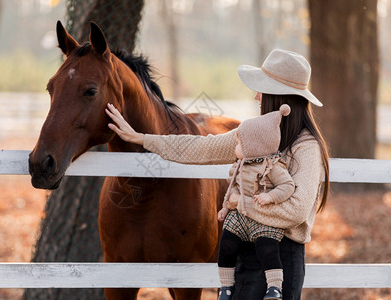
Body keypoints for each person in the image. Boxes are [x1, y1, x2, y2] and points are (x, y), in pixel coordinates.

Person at [105, 49, 330, 300]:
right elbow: (200, 148)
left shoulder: (306, 147)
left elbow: (296, 211)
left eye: (262, 91)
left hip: (281, 260)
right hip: (247, 256)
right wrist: (142, 138)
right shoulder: (253, 135)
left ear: (281, 100)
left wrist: (240, 205)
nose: (257, 97)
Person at [217, 104, 295, 300]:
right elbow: (232, 189)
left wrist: (270, 196)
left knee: (267, 248)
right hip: (240, 217)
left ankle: (275, 287)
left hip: (263, 218)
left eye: (239, 145)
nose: (235, 149)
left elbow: (287, 186)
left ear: (254, 147)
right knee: (226, 244)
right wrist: (226, 208)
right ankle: (226, 287)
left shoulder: (273, 167)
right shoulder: (239, 166)